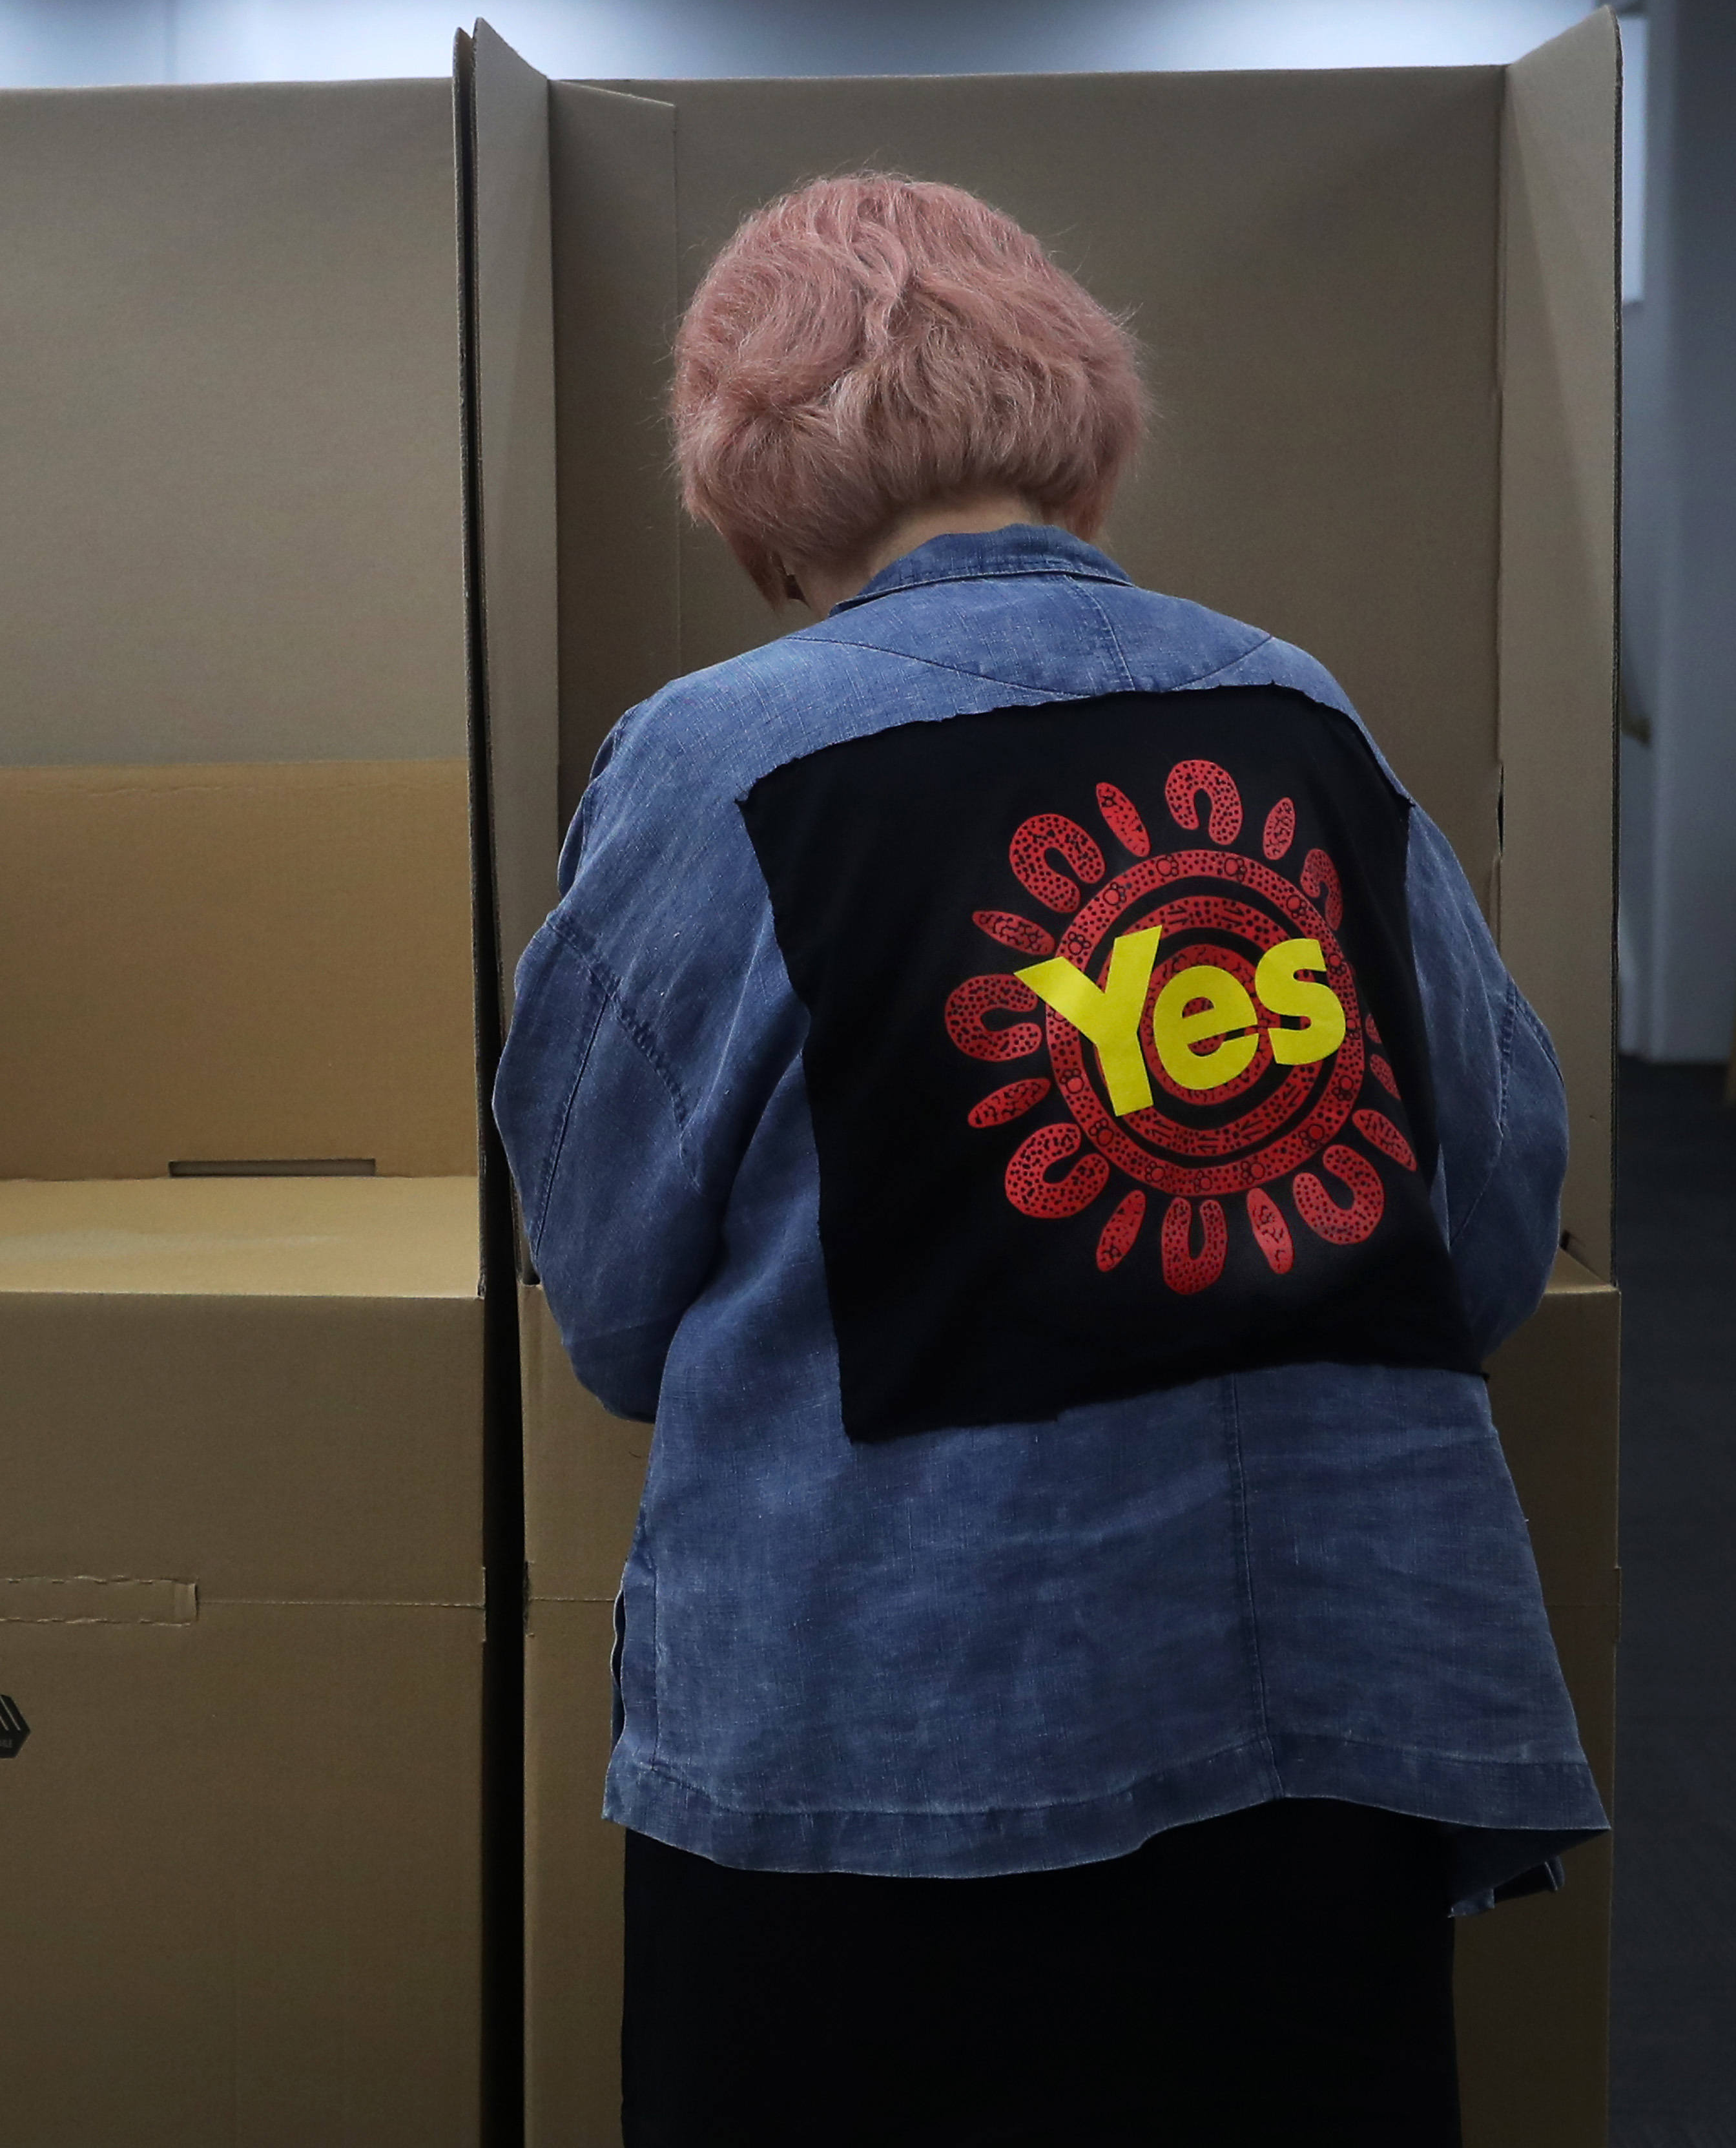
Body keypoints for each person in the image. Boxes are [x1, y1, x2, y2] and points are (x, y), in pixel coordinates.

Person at [495, 173, 1606, 2147]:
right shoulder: (1294, 714)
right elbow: (1498, 1216)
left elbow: (609, 1287)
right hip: (1330, 1725)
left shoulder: (714, 760)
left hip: (886, 1755)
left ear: (748, 471)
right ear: (1078, 411)